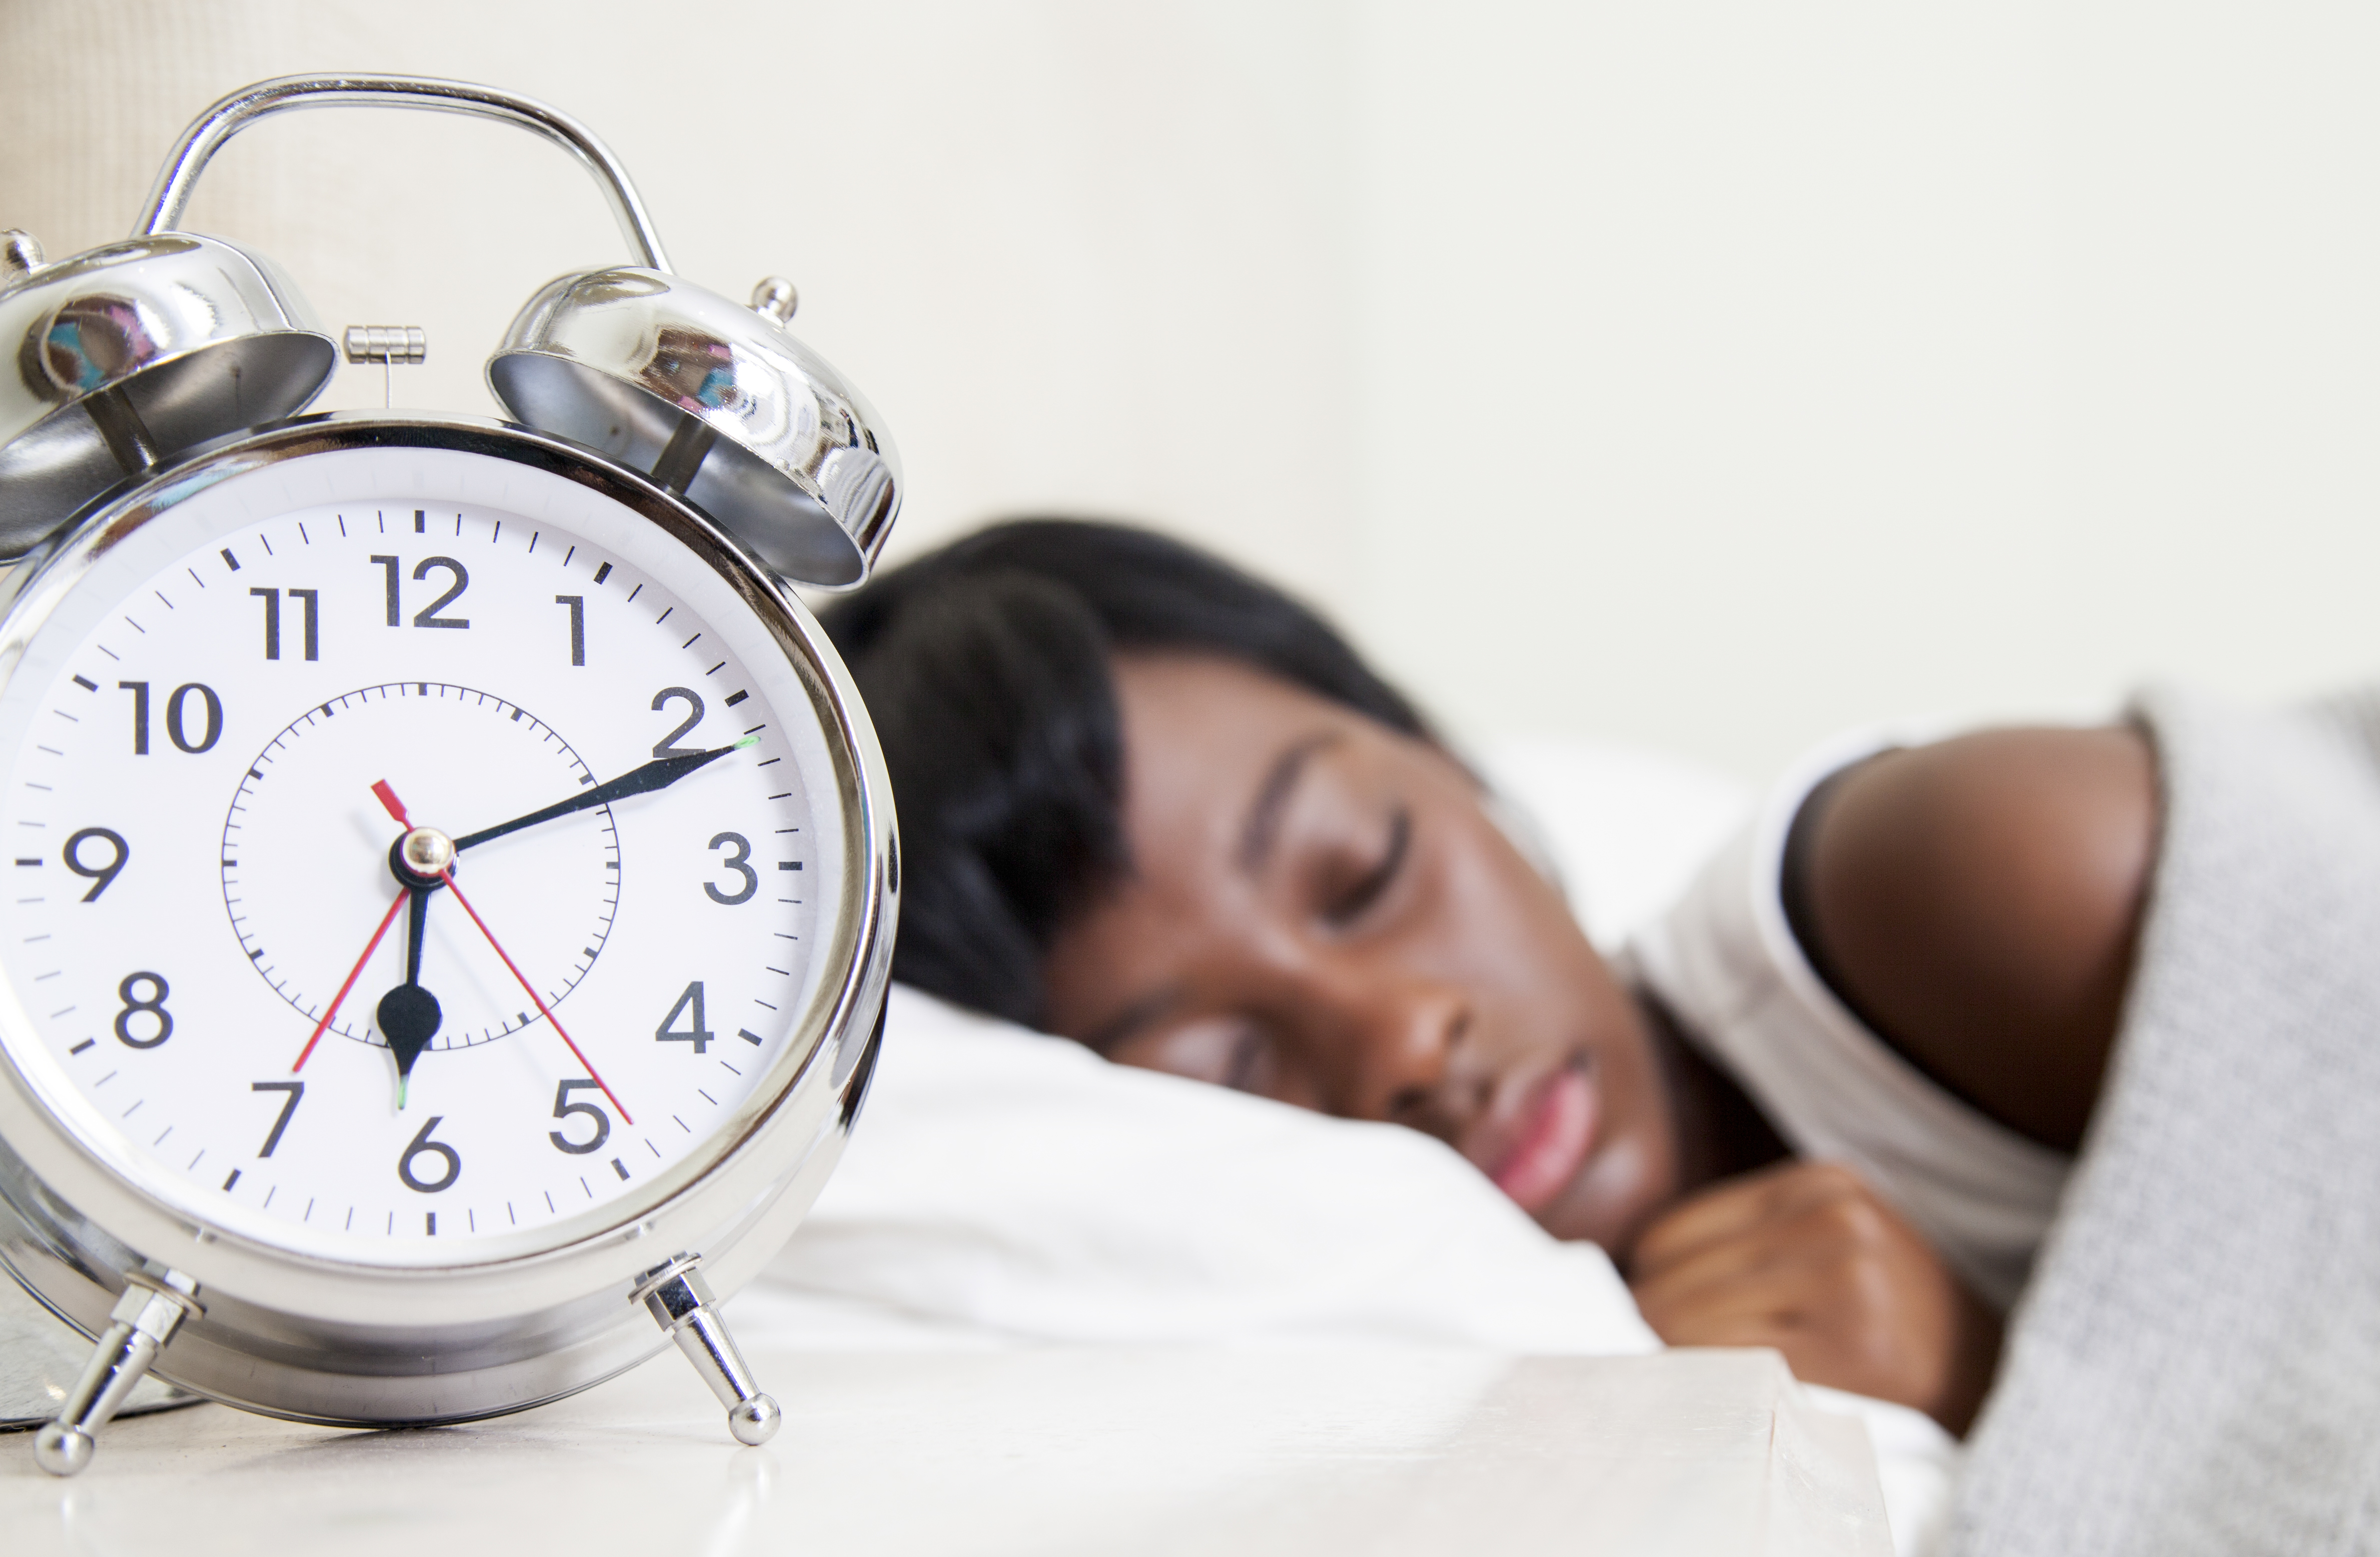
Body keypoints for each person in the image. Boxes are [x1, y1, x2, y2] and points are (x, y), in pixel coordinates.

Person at [823, 518, 2158, 1436]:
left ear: (1449, 762)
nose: (1406, 1037)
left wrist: (2008, 1387)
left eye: (1369, 871)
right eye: (1229, 1066)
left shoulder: (1964, 871)